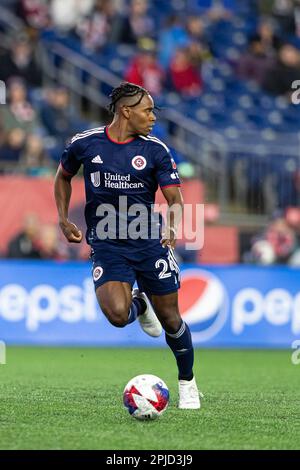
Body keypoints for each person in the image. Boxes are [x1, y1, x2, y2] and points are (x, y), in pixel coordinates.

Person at [54, 82, 202, 409]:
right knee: (119, 316)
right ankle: (140, 306)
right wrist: (64, 219)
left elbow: (174, 197)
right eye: (147, 110)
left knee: (172, 320)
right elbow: (63, 176)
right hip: (107, 245)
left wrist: (174, 227)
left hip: (149, 244)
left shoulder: (155, 150)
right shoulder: (85, 144)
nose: (152, 117)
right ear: (126, 111)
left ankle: (187, 382)